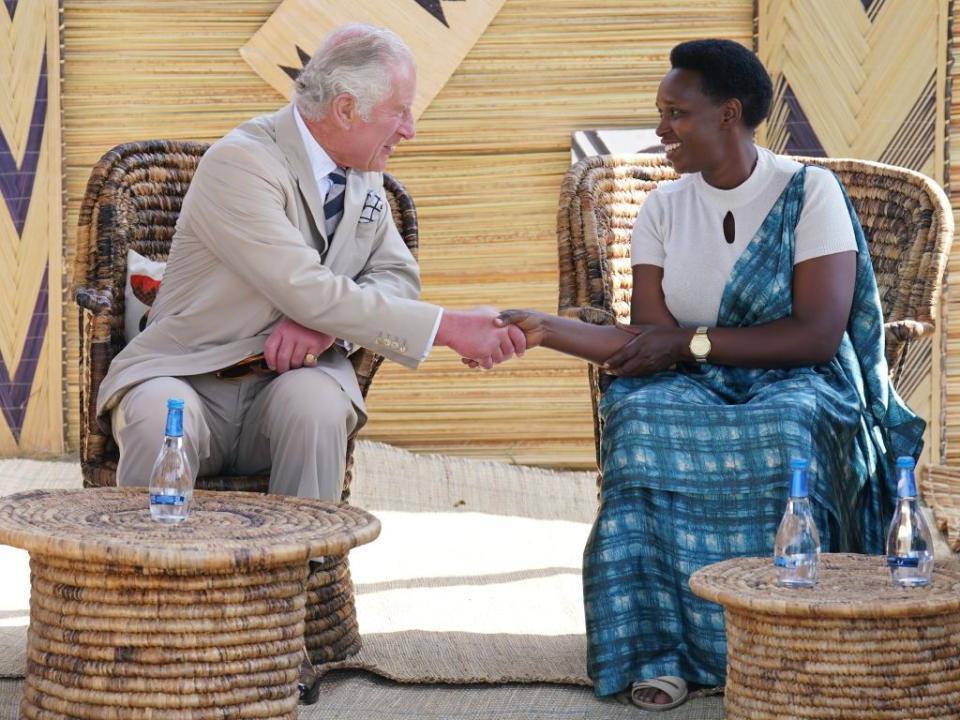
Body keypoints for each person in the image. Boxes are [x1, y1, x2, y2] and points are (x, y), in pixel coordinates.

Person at [498, 39, 924, 711]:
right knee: (640, 413)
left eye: (677, 113)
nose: (663, 129)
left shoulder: (808, 194)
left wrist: (689, 344)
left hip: (799, 379)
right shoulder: (664, 209)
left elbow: (815, 335)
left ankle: (784, 646)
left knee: (790, 422)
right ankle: (659, 649)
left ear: (729, 114)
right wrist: (543, 329)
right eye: (661, 112)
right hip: (697, 383)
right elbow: (647, 342)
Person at [97, 23, 524, 506]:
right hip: (189, 372)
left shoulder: (364, 180)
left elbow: (397, 278)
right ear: (346, 109)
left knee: (318, 404)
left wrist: (327, 331)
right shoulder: (241, 164)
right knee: (159, 413)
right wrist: (447, 327)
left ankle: (305, 574)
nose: (410, 129)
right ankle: (149, 575)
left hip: (288, 385)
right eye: (400, 111)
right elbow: (302, 285)